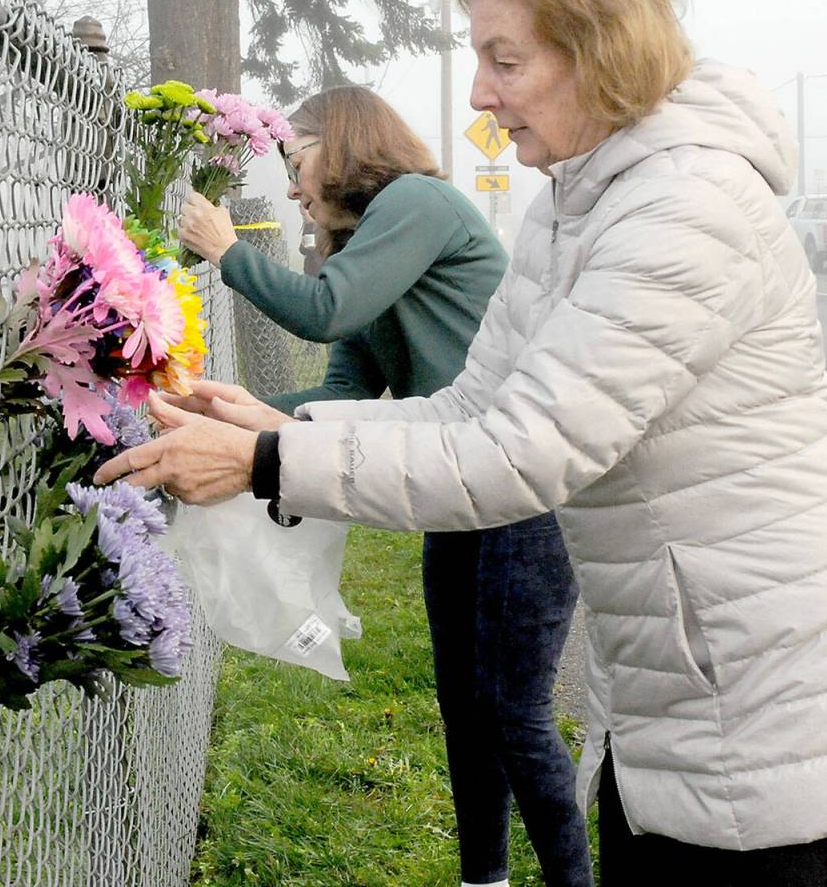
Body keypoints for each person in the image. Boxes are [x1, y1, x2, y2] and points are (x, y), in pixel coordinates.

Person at [98, 0, 827, 886]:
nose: (479, 93)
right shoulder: (578, 204)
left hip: (783, 731)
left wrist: (269, 462)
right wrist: (280, 423)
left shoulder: (684, 207)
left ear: (601, 47)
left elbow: (520, 452)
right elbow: (471, 405)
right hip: (688, 708)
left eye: (504, 60)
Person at [175, 85, 593, 887]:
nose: (292, 188)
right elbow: (348, 389)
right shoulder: (369, 244)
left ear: (342, 143)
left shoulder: (419, 202)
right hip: (458, 483)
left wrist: (229, 253)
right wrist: (238, 413)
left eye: (295, 162)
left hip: (522, 485)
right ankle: (486, 882)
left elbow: (325, 312)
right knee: (466, 710)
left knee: (514, 712)